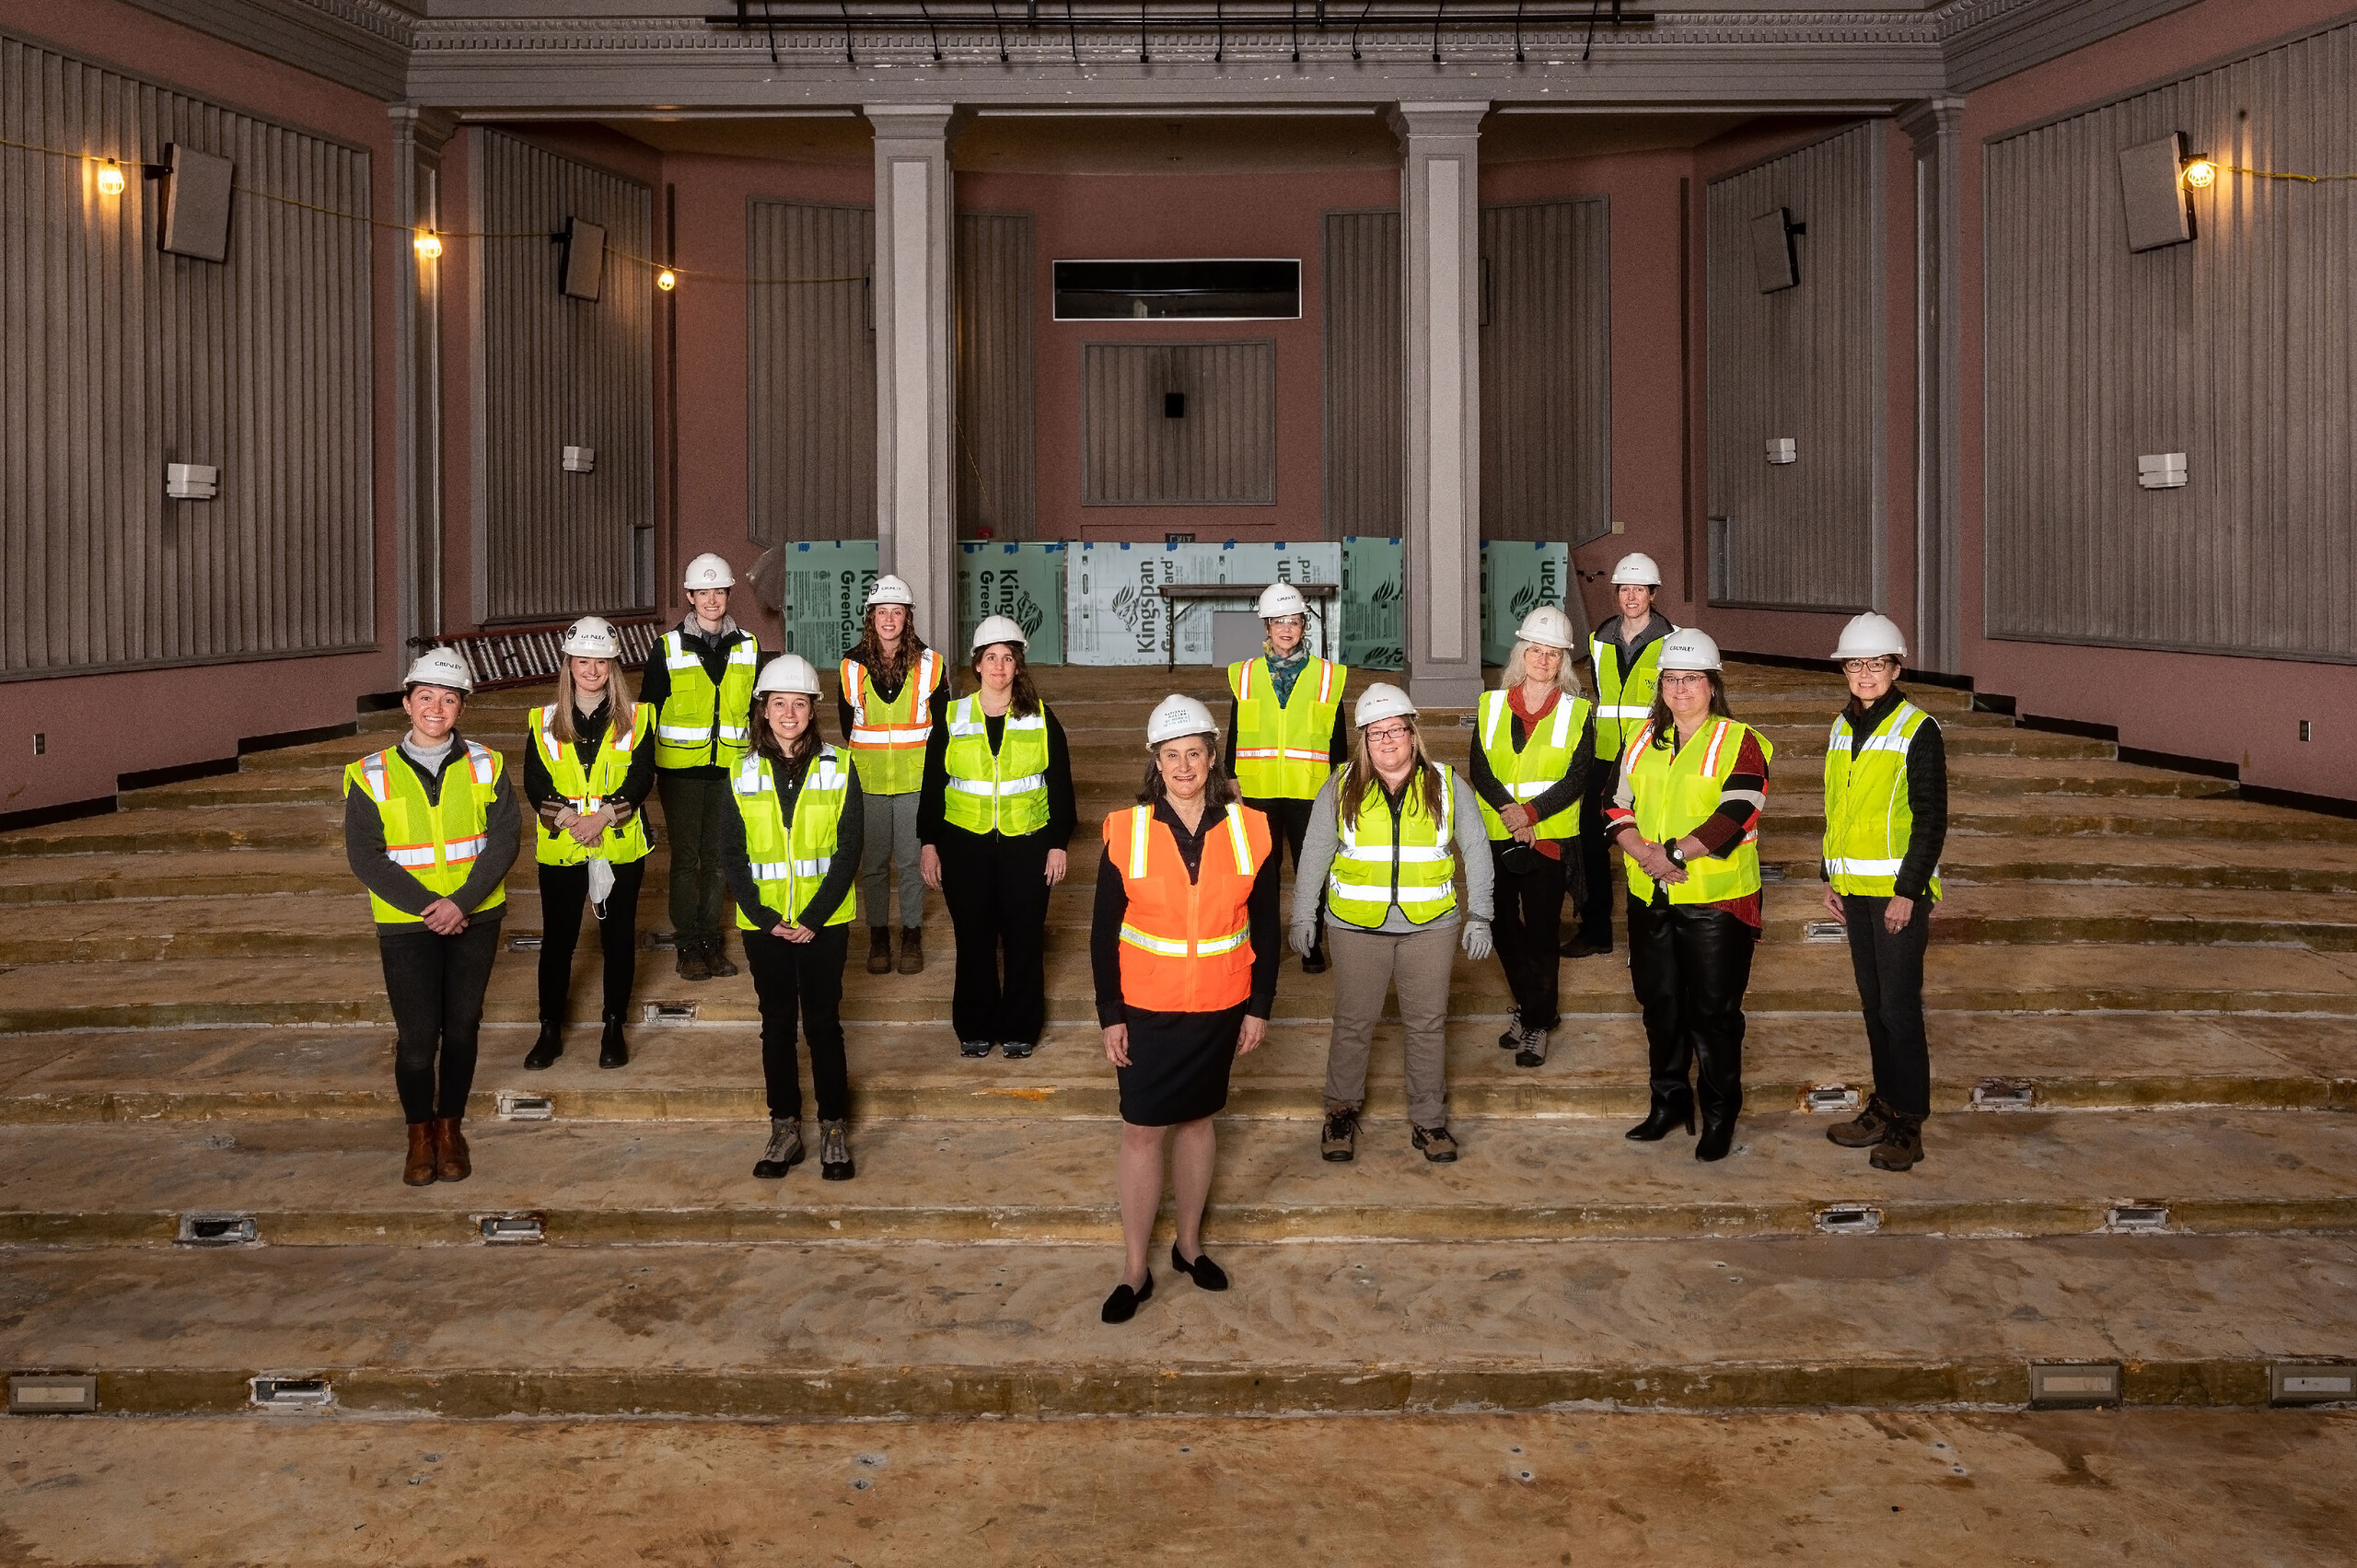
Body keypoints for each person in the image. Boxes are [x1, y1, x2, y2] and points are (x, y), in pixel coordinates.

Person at [1092, 695, 1280, 1324]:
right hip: (1146, 1006)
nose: (1183, 765)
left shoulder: (1253, 827)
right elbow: (1102, 933)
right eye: (1171, 755)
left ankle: (1189, 1245)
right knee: (1142, 1129)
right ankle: (1134, 1270)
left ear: (1210, 756)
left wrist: (1260, 1005)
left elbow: (1265, 926)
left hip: (1221, 1002)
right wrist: (1110, 1013)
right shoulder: (1126, 827)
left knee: (1199, 1122)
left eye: (1193, 753)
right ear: (1156, 762)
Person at [1291, 683, 1494, 1165]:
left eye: (1396, 731)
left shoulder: (1446, 783)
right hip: (1355, 926)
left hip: (1431, 925)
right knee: (1353, 1023)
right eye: (1376, 734)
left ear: (1412, 733)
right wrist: (1304, 913)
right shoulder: (1340, 785)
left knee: (1427, 1024)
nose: (1387, 741)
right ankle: (1340, 1112)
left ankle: (1428, 1120)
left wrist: (1481, 914)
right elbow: (1316, 851)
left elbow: (1478, 848)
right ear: (1363, 739)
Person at [341, 647, 520, 1187]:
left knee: (462, 1030)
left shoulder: (487, 764)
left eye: (448, 698)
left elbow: (505, 838)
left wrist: (461, 903)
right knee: (419, 1039)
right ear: (406, 703)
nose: (436, 708)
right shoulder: (370, 774)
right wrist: (431, 908)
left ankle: (450, 1129)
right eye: (426, 697)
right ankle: (419, 1133)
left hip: (476, 918)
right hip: (406, 925)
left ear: (461, 707)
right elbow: (364, 856)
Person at [1605, 628, 1772, 1164]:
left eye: (1692, 679)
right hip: (1650, 896)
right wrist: (1643, 852)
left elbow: (1738, 810)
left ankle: (1719, 1116)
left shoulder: (1739, 740)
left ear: (1712, 684)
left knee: (1714, 1014)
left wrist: (1675, 854)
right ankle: (1670, 1102)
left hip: (1716, 902)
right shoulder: (1640, 739)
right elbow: (1613, 805)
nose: (1681, 689)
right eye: (1672, 679)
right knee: (1661, 1006)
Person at [722, 654, 865, 1181]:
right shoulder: (740, 770)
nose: (788, 713)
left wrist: (813, 914)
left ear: (812, 710)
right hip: (764, 925)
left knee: (824, 1024)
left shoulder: (841, 765)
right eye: (778, 703)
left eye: (798, 703)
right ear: (763, 709)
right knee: (777, 1024)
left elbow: (849, 848)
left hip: (823, 921)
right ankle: (784, 1129)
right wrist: (763, 916)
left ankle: (832, 1129)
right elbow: (732, 854)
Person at [1817, 612, 1947, 1172]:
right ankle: (1885, 1104)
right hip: (1855, 889)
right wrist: (1830, 875)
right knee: (1874, 1007)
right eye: (1856, 664)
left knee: (1899, 1009)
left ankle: (1909, 1123)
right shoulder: (1841, 726)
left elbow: (1931, 819)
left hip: (1898, 894)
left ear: (1895, 667)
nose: (1865, 673)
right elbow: (1838, 808)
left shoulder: (1919, 728)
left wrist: (1908, 893)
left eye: (1876, 664)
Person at [917, 614, 1077, 1060]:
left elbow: (1060, 787)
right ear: (978, 665)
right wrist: (929, 843)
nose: (1000, 667)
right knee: (974, 938)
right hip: (964, 846)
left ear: (1018, 666)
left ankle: (1020, 1027)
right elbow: (933, 786)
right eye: (992, 658)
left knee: (1025, 938)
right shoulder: (952, 717)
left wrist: (1057, 843)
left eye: (1009, 658)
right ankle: (974, 1025)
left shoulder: (1043, 718)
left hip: (1026, 845)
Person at [521, 617, 656, 1073]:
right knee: (558, 940)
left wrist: (602, 816)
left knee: (617, 939)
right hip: (563, 845)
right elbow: (534, 780)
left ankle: (613, 1025)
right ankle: (549, 1028)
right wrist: (569, 820)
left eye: (600, 662)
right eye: (583, 661)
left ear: (612, 667)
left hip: (616, 844)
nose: (592, 670)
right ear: (570, 664)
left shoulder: (636, 718)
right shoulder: (544, 720)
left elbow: (641, 776)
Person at [1469, 605, 1594, 1068]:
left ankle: (1536, 1021)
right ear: (1521, 655)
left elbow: (1578, 776)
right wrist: (1511, 813)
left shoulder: (1578, 712)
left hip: (1550, 838)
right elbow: (1480, 768)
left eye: (1553, 653)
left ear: (1563, 661)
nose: (1543, 660)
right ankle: (1533, 1007)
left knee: (1542, 933)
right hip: (1497, 834)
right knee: (1501, 924)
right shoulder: (1491, 705)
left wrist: (1531, 814)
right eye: (1536, 651)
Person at [639, 552, 761, 982]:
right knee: (686, 859)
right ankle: (687, 944)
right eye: (703, 592)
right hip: (681, 773)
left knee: (718, 859)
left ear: (729, 594)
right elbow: (647, 714)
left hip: (729, 769)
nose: (712, 599)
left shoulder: (748, 645)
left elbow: (754, 712)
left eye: (719, 591)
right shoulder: (667, 648)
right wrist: (643, 772)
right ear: (690, 596)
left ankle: (711, 939)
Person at [1224, 582, 1348, 974]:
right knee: (1263, 872)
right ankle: (1264, 945)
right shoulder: (1243, 675)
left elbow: (1338, 740)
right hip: (1257, 789)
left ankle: (1310, 944)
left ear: (1303, 625)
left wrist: (1340, 783)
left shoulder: (1329, 677)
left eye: (1293, 621)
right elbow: (1235, 730)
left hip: (1311, 790)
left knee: (1313, 871)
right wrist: (1229, 777)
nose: (1286, 629)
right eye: (1278, 621)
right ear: (1266, 626)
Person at [1567, 552, 1677, 960]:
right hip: (1605, 754)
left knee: (1650, 841)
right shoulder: (1599, 639)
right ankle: (1595, 931)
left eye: (1639, 589)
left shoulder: (1673, 639)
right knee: (1591, 843)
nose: (1631, 596)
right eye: (1624, 589)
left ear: (1652, 593)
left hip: (1652, 755)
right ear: (1617, 593)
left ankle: (1652, 932)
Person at [838, 574, 947, 979]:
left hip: (916, 783)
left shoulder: (931, 664)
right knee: (873, 865)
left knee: (911, 862)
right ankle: (879, 937)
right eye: (882, 612)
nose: (889, 619)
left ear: (907, 617)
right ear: (871, 617)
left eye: (896, 612)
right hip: (868, 783)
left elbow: (941, 731)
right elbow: (848, 726)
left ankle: (912, 935)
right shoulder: (851, 665)